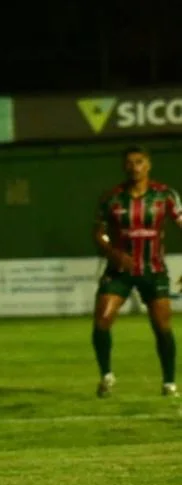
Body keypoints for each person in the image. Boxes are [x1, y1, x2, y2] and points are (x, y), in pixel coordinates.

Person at [91, 145, 181, 398]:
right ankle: (107, 376)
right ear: (124, 166)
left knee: (162, 325)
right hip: (120, 270)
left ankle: (169, 383)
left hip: (153, 269)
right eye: (129, 162)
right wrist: (113, 253)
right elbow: (98, 233)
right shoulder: (112, 198)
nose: (134, 167)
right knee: (102, 319)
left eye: (139, 162)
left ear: (148, 165)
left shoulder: (165, 196)